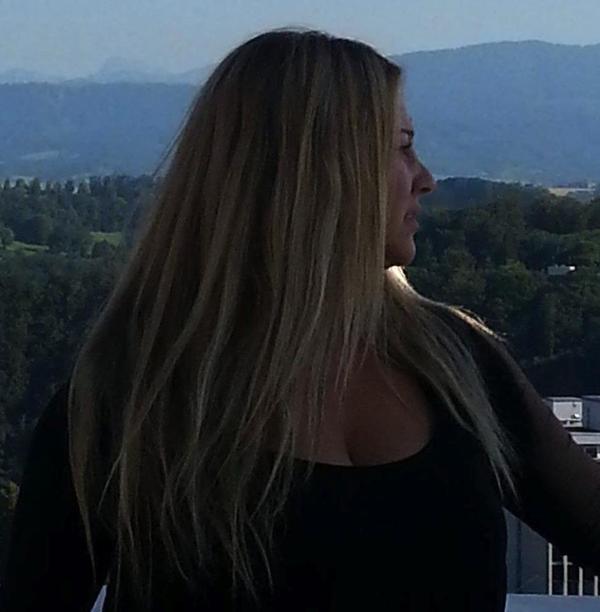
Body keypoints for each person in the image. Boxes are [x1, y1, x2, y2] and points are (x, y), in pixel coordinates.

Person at [1, 27, 600, 612]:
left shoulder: (458, 366)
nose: (426, 178)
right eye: (402, 145)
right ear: (320, 172)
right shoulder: (125, 404)